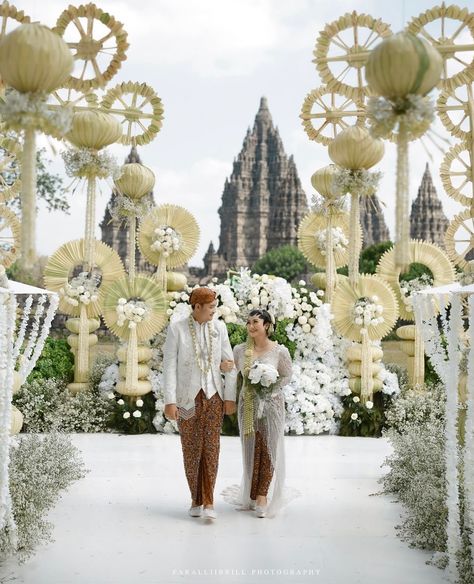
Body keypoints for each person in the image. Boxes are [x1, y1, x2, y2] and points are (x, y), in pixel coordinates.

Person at [163, 287, 236, 520]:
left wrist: (230, 396)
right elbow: (169, 368)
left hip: (214, 396)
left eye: (215, 306)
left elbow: (230, 364)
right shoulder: (177, 330)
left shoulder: (220, 328)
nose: (214, 311)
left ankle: (209, 501)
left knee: (212, 448)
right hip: (187, 398)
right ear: (196, 307)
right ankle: (195, 499)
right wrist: (170, 401)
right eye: (211, 307)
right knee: (191, 448)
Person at [230, 308, 292, 518]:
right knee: (250, 449)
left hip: (272, 405)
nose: (251, 326)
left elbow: (286, 376)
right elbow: (232, 372)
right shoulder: (240, 350)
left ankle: (263, 496)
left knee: (268, 448)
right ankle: (252, 491)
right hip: (247, 405)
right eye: (248, 322)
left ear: (266, 325)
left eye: (255, 322)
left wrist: (269, 386)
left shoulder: (279, 351)